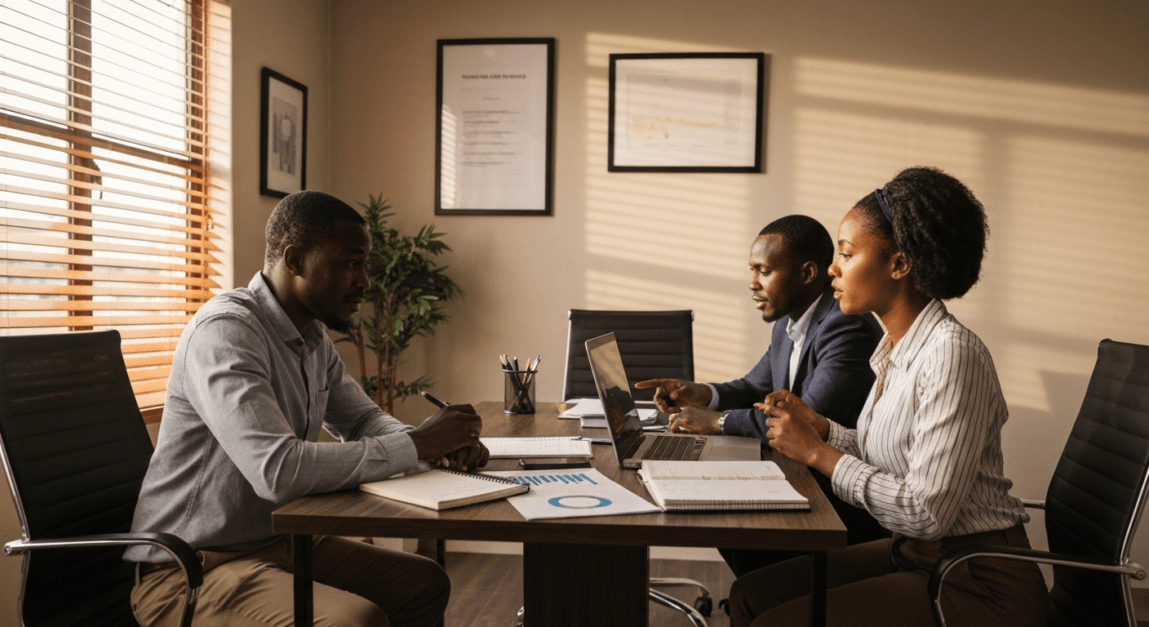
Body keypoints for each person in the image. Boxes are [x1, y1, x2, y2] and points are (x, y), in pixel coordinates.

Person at [126, 191, 487, 627]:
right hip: (193, 570)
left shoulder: (311, 336)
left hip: (282, 543)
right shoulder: (226, 332)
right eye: (352, 263)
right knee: (353, 621)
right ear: (295, 260)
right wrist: (417, 443)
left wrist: (435, 447)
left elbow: (360, 419)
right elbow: (277, 469)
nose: (366, 282)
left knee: (424, 583)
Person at [729, 167, 1049, 626]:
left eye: (846, 253)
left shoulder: (951, 356)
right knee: (750, 595)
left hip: (975, 582)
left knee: (772, 620)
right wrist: (826, 430)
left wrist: (819, 454)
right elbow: (892, 454)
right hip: (916, 554)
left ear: (899, 264)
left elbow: (924, 511)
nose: (833, 269)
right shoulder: (897, 348)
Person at [635, 215, 887, 577]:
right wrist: (701, 393)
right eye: (751, 270)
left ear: (808, 273)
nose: (752, 283)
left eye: (763, 271)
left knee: (728, 522)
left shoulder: (844, 327)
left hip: (835, 504)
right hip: (798, 479)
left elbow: (804, 420)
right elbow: (754, 387)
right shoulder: (791, 325)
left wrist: (719, 421)